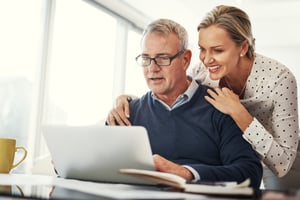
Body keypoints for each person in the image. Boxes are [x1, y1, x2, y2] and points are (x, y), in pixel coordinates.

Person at [106, 5, 300, 190]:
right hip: (239, 147)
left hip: (278, 157)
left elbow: (280, 164)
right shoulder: (203, 71)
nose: (207, 59)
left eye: (217, 50)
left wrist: (238, 112)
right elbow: (173, 86)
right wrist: (130, 101)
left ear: (242, 48)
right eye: (203, 49)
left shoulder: (279, 79)